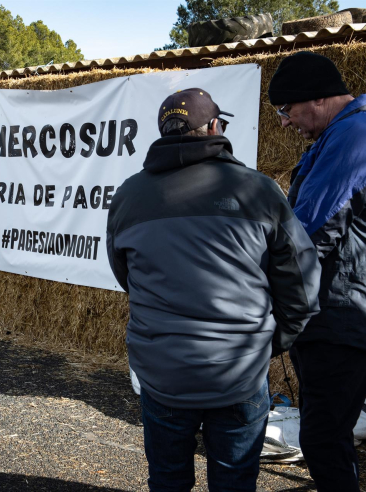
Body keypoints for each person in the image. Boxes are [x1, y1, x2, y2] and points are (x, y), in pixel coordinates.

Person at [106, 88, 321, 491]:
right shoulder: (258, 190)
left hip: (163, 373)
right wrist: (273, 341)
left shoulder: (129, 195)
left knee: (167, 481)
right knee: (235, 482)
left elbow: (125, 275)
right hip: (239, 371)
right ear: (215, 127)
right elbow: (302, 283)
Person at [268, 51, 366, 492]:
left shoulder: (352, 137)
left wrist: (260, 285)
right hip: (336, 310)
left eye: (286, 109)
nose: (283, 122)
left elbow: (312, 232)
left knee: (323, 438)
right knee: (329, 432)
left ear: (318, 98)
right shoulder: (341, 135)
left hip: (340, 315)